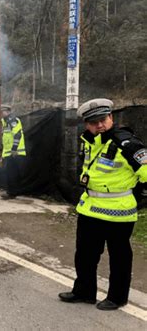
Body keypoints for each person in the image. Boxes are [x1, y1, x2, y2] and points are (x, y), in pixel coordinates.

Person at [59, 98, 147, 310]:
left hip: (118, 214)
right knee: (84, 255)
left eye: (103, 119)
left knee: (119, 259)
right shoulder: (89, 141)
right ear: (86, 124)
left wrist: (140, 197)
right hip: (90, 209)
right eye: (93, 121)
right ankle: (84, 292)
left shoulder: (126, 143)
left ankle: (117, 297)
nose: (99, 125)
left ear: (111, 118)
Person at [0, 105, 26, 199]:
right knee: (11, 173)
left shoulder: (13, 120)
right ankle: (13, 192)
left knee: (12, 174)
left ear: (8, 111)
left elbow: (17, 135)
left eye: (4, 111)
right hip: (9, 153)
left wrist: (14, 149)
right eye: (1, 111)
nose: (2, 113)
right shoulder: (4, 121)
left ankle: (11, 193)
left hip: (15, 152)